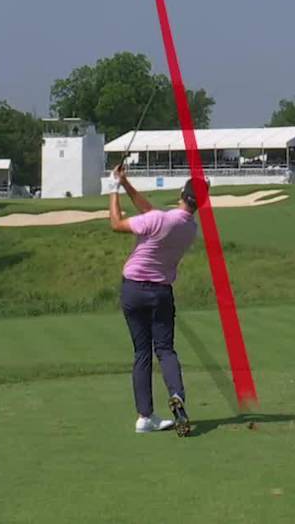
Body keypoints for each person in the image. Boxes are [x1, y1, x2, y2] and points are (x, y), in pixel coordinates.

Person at [109, 163, 199, 435]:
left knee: (141, 352)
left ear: (181, 194)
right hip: (161, 293)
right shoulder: (189, 229)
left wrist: (113, 187)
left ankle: (144, 417)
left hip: (133, 290)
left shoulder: (159, 219)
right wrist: (126, 183)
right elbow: (151, 213)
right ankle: (177, 394)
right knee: (165, 349)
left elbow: (116, 224)